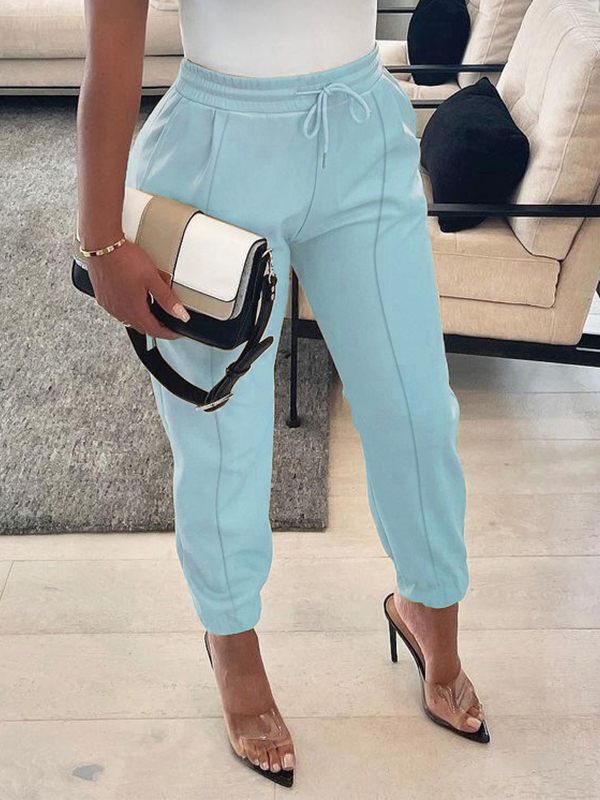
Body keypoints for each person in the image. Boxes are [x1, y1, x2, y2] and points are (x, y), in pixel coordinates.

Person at [77, 0, 489, 788]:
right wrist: (101, 238)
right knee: (223, 438)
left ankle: (430, 601)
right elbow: (112, 51)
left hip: (361, 130)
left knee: (416, 410)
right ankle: (231, 640)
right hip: (215, 150)